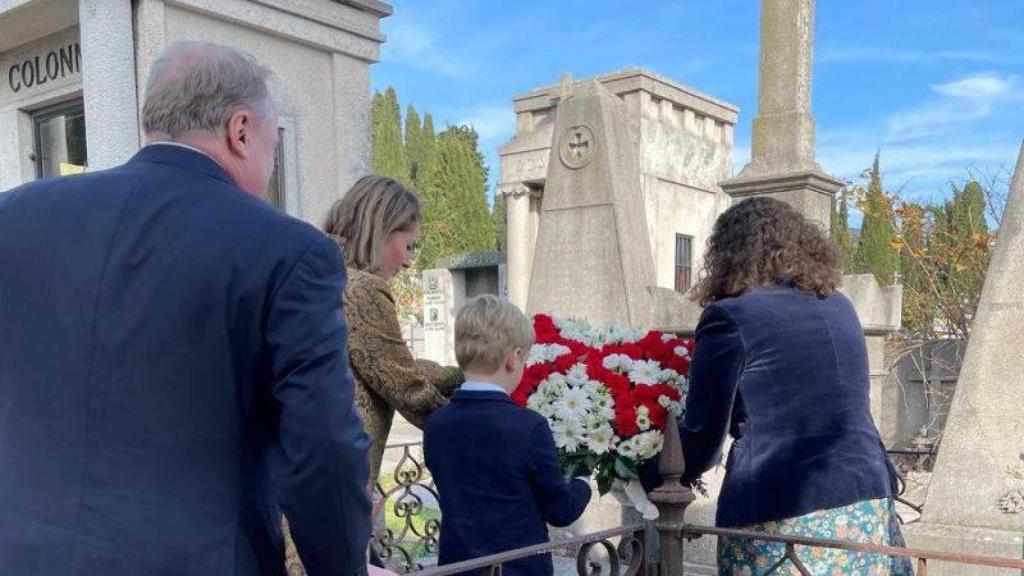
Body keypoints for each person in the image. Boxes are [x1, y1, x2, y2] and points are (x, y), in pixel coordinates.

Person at [0, 40, 371, 576]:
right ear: (240, 131)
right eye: (273, 144)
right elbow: (322, 449)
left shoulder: (15, 218)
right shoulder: (288, 251)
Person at [649, 198, 911, 574]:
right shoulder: (840, 305)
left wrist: (640, 474)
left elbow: (703, 440)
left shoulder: (731, 316)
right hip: (867, 500)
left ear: (727, 254)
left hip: (782, 514)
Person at [424, 295, 592, 576]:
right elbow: (560, 511)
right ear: (513, 359)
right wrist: (583, 480)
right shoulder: (529, 427)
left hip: (457, 567)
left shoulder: (436, 423)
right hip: (518, 568)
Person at [322, 176, 462, 486]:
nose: (410, 262)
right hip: (335, 480)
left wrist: (463, 376)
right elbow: (405, 387)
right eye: (409, 245)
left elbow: (386, 362)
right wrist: (484, 416)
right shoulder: (362, 289)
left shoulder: (322, 272)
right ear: (382, 228)